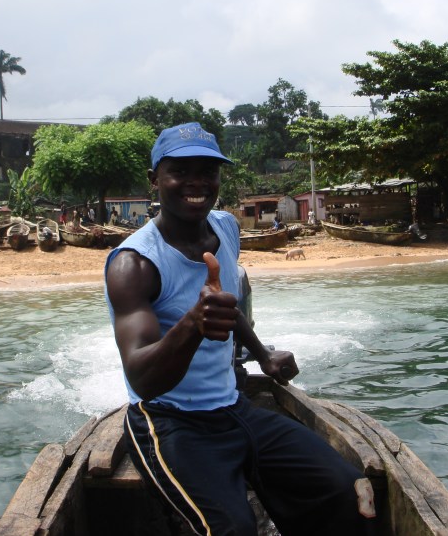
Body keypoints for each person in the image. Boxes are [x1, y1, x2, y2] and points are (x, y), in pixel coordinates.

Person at [105, 122, 374, 535]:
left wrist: (263, 354)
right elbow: (142, 380)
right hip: (169, 421)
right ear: (154, 179)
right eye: (181, 170)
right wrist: (193, 323)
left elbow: (227, 302)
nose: (197, 182)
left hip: (233, 408)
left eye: (208, 171)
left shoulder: (226, 228)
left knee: (344, 490)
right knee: (232, 530)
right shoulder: (134, 264)